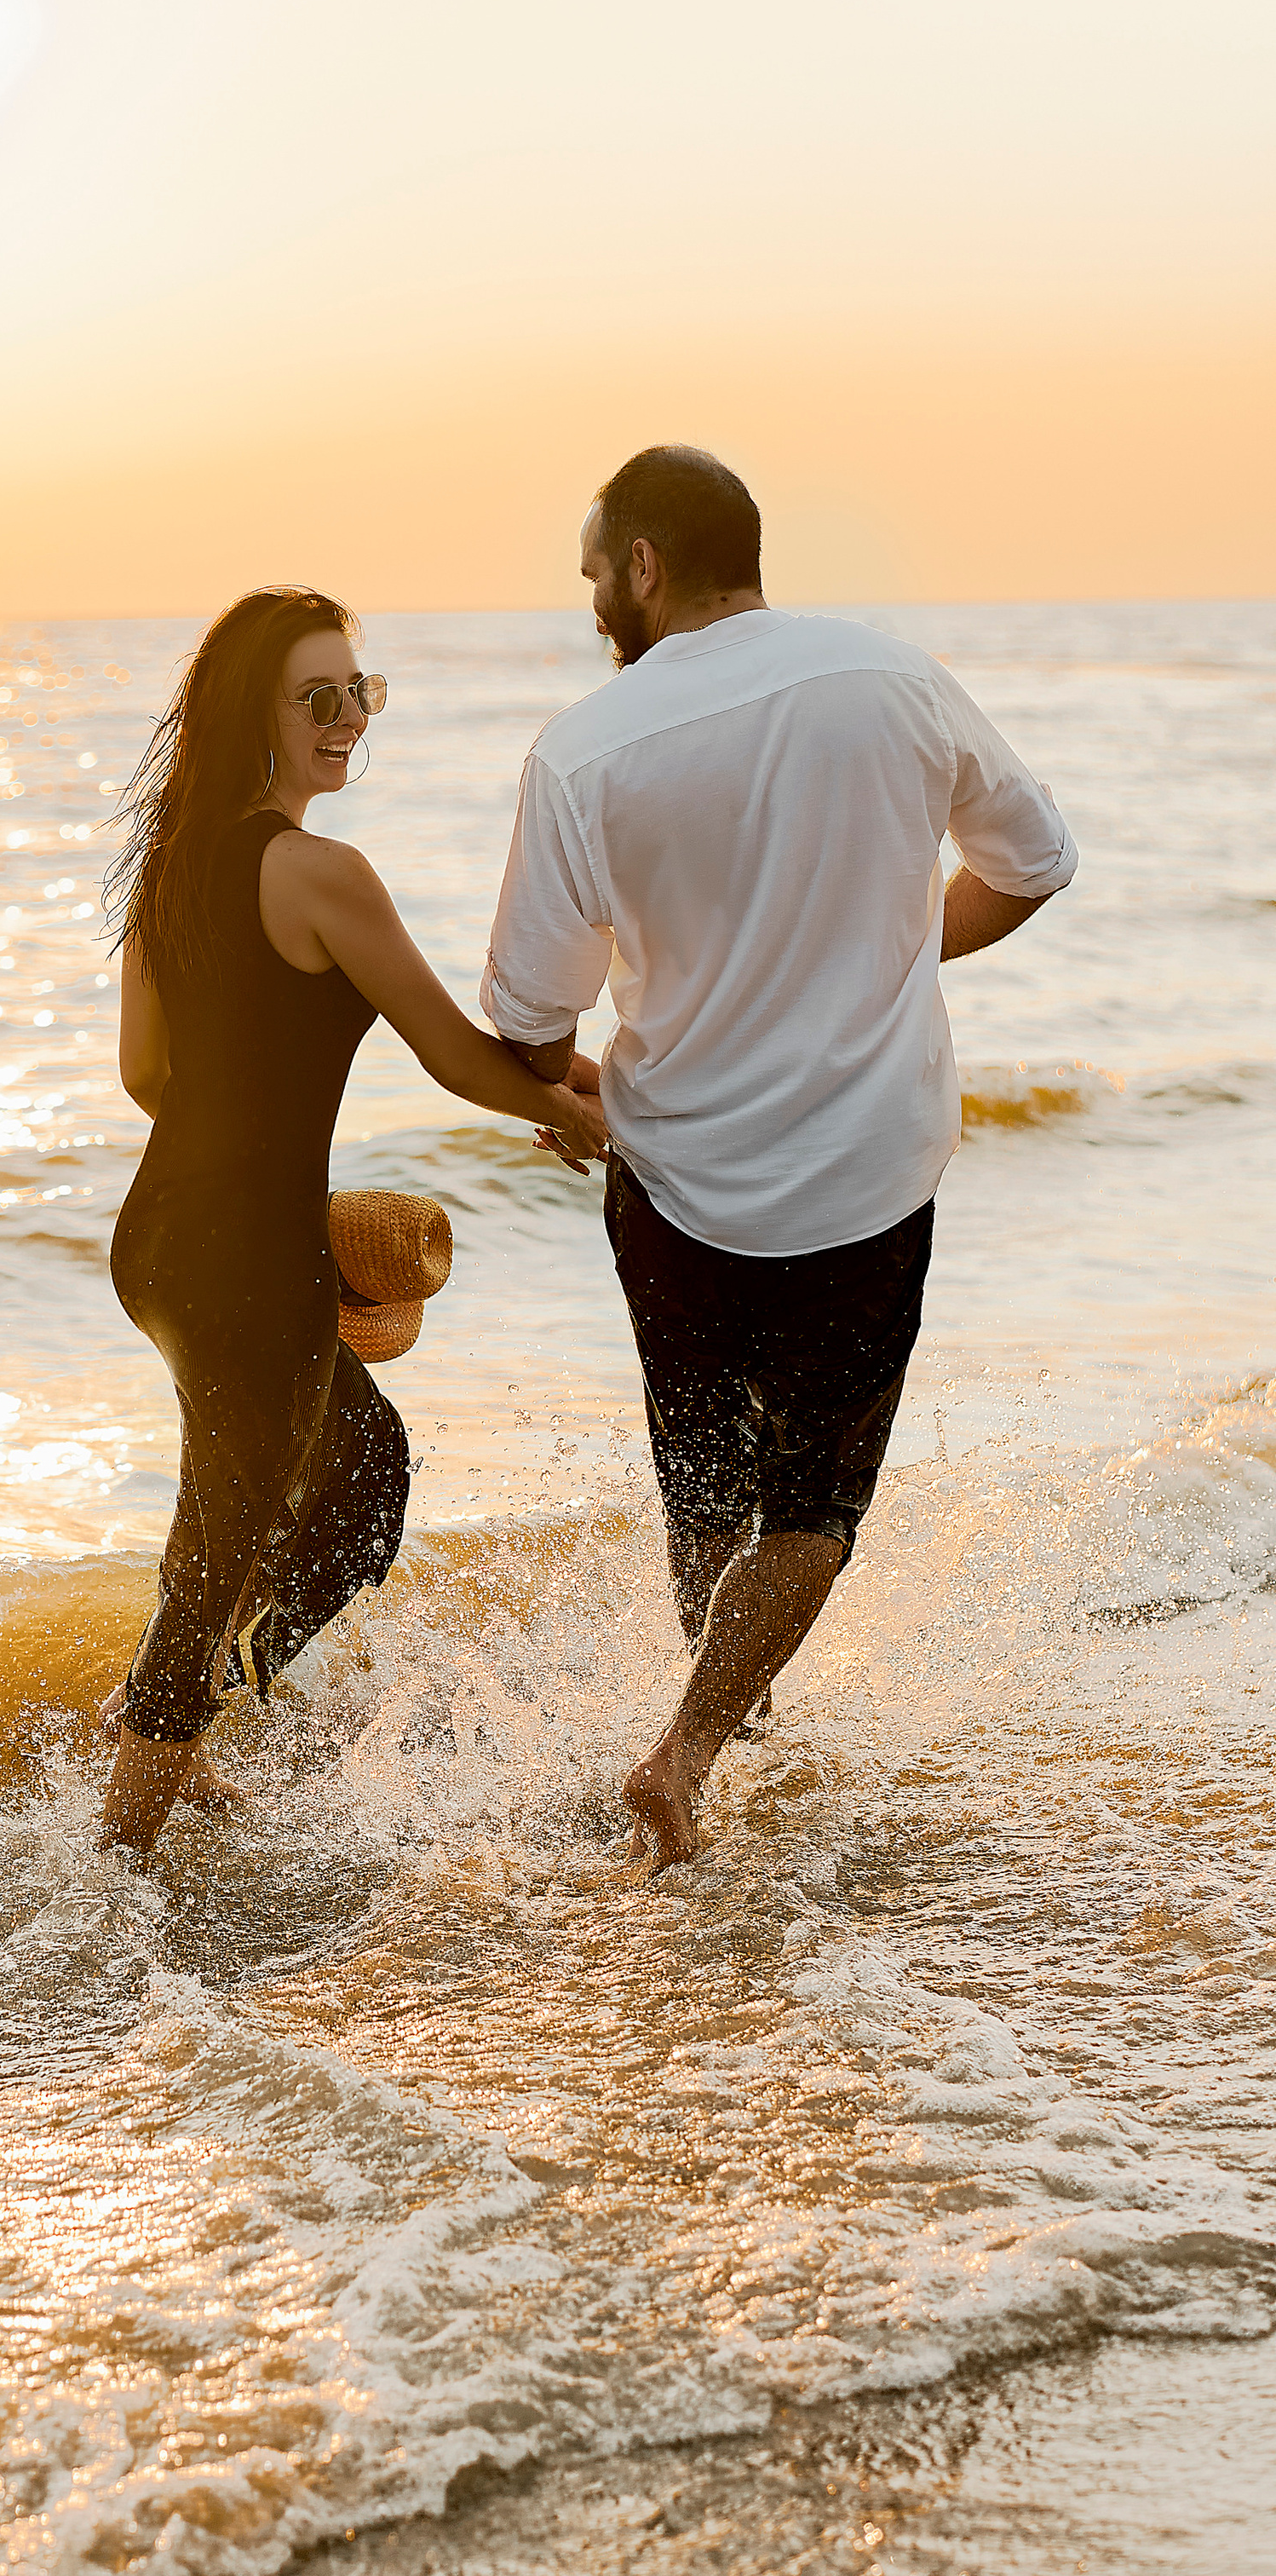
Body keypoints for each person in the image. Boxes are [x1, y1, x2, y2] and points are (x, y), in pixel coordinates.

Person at [480, 447, 1078, 1871]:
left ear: (642, 566)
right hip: (868, 1180)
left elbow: (522, 1023)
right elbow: (1037, 861)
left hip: (679, 1188)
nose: (590, 606)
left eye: (592, 574)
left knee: (703, 1491)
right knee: (814, 1507)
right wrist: (882, 950)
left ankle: (704, 1731)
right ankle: (700, 1738)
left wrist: (566, 1090)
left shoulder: (584, 748)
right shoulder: (892, 681)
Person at [101, 585, 605, 1852]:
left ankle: (166, 1724)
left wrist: (570, 1082)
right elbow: (449, 1052)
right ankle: (123, 1838)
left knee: (340, 1470)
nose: (346, 720)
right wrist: (585, 1116)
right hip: (243, 1253)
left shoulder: (170, 865)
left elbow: (147, 1075)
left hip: (160, 1240)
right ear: (259, 719)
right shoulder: (322, 875)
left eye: (359, 692)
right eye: (316, 697)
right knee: (267, 1523)